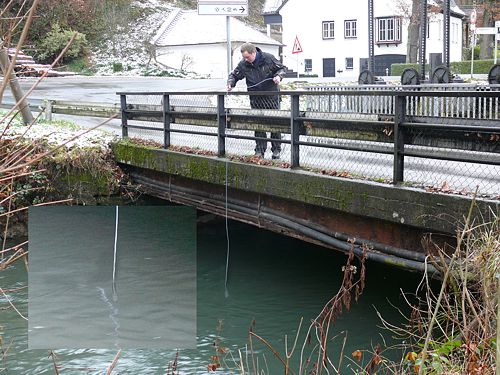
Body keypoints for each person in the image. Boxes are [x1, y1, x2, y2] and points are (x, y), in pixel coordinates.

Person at [227, 42, 287, 159]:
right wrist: (230, 83)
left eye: (247, 57)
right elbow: (234, 75)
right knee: (258, 125)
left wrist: (278, 76)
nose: (246, 59)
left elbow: (282, 68)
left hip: (271, 97)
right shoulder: (244, 64)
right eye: (244, 57)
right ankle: (259, 151)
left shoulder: (268, 58)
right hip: (255, 98)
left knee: (274, 123)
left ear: (254, 52)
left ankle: (276, 150)